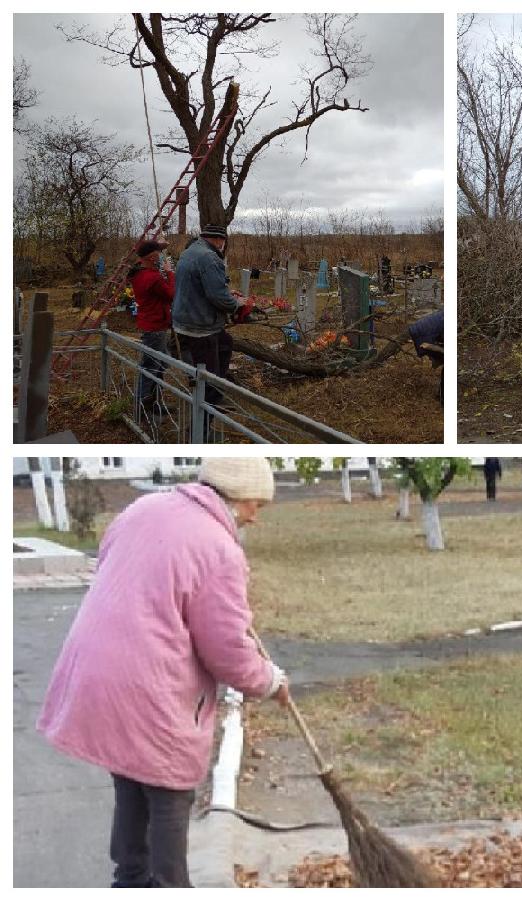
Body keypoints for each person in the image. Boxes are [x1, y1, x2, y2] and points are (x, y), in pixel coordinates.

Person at [37, 458, 290, 888]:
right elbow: (227, 651)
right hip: (149, 689)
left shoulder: (143, 508)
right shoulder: (218, 548)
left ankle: (130, 881)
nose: (255, 517)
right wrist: (269, 680)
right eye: (257, 506)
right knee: (169, 793)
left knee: (131, 785)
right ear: (241, 497)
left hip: (97, 674)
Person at [172, 224, 252, 407]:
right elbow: (218, 297)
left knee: (225, 343)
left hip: (184, 319)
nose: (223, 245)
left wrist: (226, 293)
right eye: (223, 241)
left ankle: (215, 387)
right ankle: (204, 420)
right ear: (219, 240)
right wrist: (237, 304)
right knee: (208, 374)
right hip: (200, 327)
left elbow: (199, 286)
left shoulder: (190, 252)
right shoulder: (209, 258)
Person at [129, 239, 175, 414]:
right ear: (151, 257)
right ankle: (141, 402)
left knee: (161, 362)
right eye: (158, 253)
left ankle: (153, 399)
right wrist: (170, 274)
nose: (162, 256)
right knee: (152, 365)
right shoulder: (151, 277)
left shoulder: (140, 273)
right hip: (155, 326)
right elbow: (171, 294)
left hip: (152, 323)